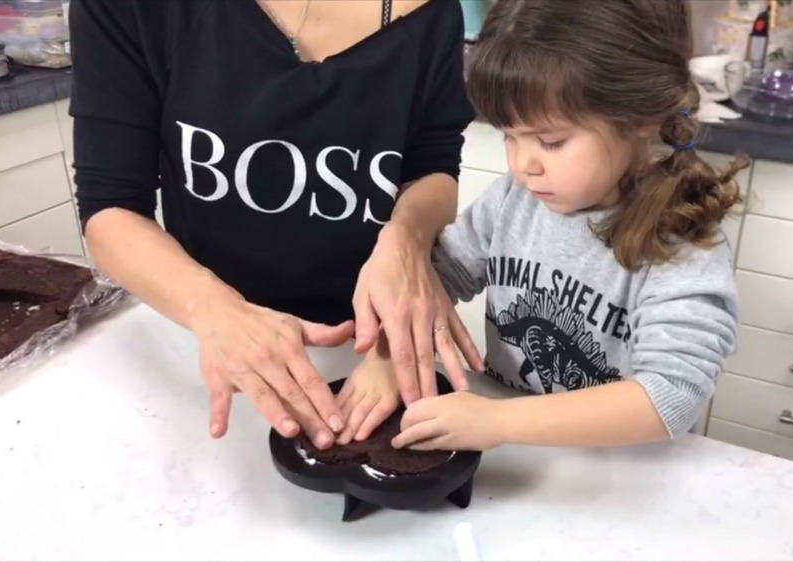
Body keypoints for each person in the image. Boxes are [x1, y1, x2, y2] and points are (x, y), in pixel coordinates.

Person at [68, 0, 484, 450]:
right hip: (204, 343)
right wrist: (214, 311)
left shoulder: (431, 11)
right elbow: (110, 207)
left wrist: (406, 236)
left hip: (371, 352)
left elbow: (435, 168)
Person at [337, 0, 747, 451]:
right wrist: (385, 356)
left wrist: (499, 422)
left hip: (618, 474)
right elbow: (434, 280)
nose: (522, 163)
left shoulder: (679, 241)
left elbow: (673, 394)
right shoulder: (515, 198)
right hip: (519, 456)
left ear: (640, 120)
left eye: (551, 141)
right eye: (509, 136)